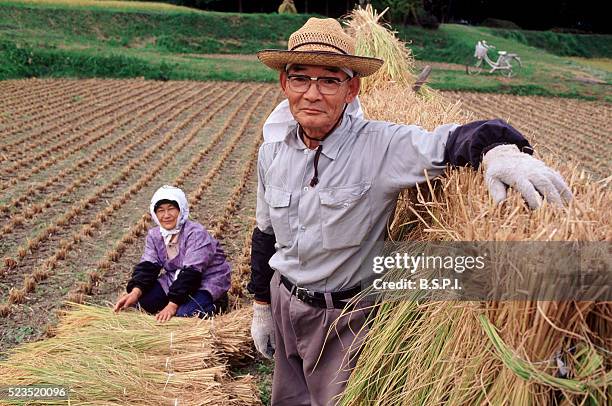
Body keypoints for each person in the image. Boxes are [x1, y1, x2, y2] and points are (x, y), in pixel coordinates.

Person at [247, 18, 572, 406]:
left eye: (330, 80)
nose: (312, 93)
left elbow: (452, 140)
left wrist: (500, 150)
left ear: (352, 88)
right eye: (300, 78)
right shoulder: (273, 152)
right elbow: (265, 233)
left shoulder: (379, 147)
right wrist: (262, 306)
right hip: (284, 301)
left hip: (342, 321)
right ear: (285, 84)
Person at [114, 185, 231, 322]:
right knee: (143, 303)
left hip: (206, 280)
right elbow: (148, 266)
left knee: (184, 315)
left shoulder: (196, 233)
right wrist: (135, 292)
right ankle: (178, 300)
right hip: (175, 279)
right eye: (161, 210)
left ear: (181, 210)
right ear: (155, 213)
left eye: (171, 209)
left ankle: (218, 302)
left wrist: (172, 305)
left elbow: (192, 273)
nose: (166, 215)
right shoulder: (155, 235)